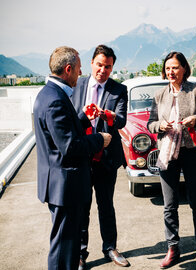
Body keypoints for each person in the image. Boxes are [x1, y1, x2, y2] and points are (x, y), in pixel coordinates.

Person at [33, 46, 112, 270]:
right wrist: (99, 139)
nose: (80, 73)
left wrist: (84, 118)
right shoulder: (56, 100)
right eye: (78, 68)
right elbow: (69, 146)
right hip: (64, 188)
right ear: (68, 69)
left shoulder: (49, 94)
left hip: (61, 185)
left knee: (67, 246)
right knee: (63, 248)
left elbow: (63, 132)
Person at [147, 51, 196, 268]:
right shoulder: (159, 95)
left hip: (192, 152)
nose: (171, 71)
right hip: (167, 153)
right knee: (169, 204)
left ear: (184, 69)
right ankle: (173, 248)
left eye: (175, 67)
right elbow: (150, 123)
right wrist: (158, 126)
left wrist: (195, 120)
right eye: (168, 68)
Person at [71, 45, 129, 269]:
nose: (103, 70)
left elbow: (122, 121)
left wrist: (112, 116)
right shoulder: (77, 85)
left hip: (106, 158)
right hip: (82, 157)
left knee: (106, 205)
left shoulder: (119, 89)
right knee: (82, 207)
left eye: (108, 66)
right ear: (91, 63)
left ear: (112, 67)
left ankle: (110, 248)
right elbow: (70, 119)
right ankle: (80, 253)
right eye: (99, 65)